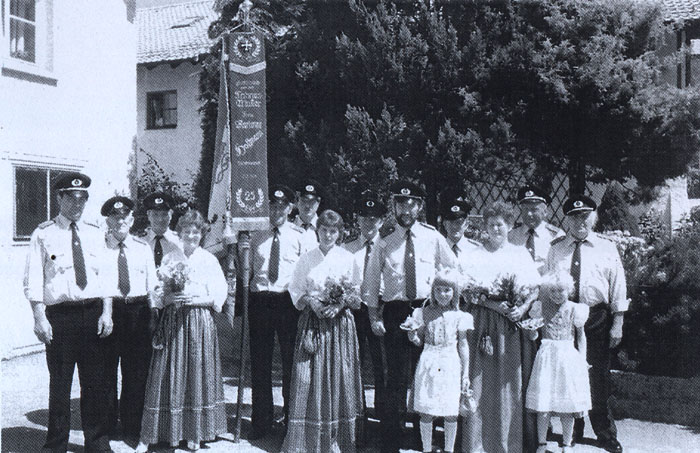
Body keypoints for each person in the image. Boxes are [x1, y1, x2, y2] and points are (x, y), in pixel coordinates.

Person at [23, 172, 114, 452]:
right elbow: (34, 278)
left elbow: (106, 277)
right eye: (72, 198)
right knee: (60, 386)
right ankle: (56, 445)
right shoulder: (44, 234)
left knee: (95, 384)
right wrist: (39, 317)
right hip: (61, 317)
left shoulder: (95, 233)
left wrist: (107, 312)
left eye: (83, 198)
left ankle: (97, 442)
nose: (78, 204)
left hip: (93, 313)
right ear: (59, 198)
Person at [363, 180, 456, 453]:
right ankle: (392, 440)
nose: (406, 208)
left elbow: (452, 269)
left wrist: (448, 306)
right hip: (396, 312)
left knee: (425, 374)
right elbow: (371, 282)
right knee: (397, 378)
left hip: (426, 310)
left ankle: (422, 439)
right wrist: (373, 317)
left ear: (420, 206)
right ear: (394, 206)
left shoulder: (433, 237)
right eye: (401, 203)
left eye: (412, 203)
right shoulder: (385, 240)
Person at [135, 210, 228, 452]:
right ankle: (162, 431)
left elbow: (219, 295)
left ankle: (194, 433)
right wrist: (169, 297)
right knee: (169, 372)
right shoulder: (170, 258)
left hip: (199, 321)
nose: (191, 236)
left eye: (196, 231)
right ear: (180, 232)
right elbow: (157, 293)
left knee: (196, 372)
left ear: (202, 233)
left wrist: (196, 300)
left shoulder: (209, 260)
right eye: (187, 231)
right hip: (174, 320)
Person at [546, 195, 627, 453]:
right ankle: (573, 429)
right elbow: (548, 285)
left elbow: (618, 287)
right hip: (565, 317)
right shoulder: (556, 248)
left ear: (593, 218)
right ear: (566, 220)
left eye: (584, 216)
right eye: (574, 217)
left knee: (598, 376)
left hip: (597, 318)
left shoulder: (606, 247)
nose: (580, 222)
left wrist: (618, 322)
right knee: (567, 374)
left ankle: (605, 433)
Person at [460, 201, 540, 453]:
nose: (496, 229)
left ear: (509, 226)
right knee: (480, 380)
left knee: (508, 383)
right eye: (491, 224)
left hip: (510, 326)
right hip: (481, 324)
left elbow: (534, 288)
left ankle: (508, 444)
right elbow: (467, 292)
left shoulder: (519, 253)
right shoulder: (473, 254)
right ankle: (477, 445)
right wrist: (494, 307)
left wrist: (523, 308)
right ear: (484, 226)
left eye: (501, 224)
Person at [282, 210, 364, 453]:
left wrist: (339, 304)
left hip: (339, 326)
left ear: (340, 233)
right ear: (317, 231)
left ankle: (338, 441)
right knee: (308, 376)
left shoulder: (348, 258)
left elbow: (357, 295)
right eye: (324, 230)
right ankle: (306, 441)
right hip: (313, 324)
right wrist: (313, 302)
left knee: (340, 374)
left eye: (333, 231)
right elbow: (295, 290)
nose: (328, 235)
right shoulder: (306, 259)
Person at [249, 185, 305, 439]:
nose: (276, 210)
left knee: (289, 363)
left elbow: (304, 274)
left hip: (287, 303)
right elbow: (244, 270)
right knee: (260, 362)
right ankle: (261, 422)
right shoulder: (254, 235)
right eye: (272, 205)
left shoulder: (299, 236)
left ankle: (291, 420)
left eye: (281, 206)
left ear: (290, 208)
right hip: (260, 300)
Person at [101, 197, 158, 441]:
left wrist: (154, 315)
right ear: (108, 221)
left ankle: (132, 426)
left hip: (137, 311)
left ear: (132, 220)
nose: (120, 220)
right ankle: (106, 425)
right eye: (115, 217)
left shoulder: (142, 247)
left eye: (125, 216)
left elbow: (152, 285)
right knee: (106, 371)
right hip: (109, 309)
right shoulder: (99, 247)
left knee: (136, 372)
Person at [404, 269, 473, 453]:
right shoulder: (422, 312)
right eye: (439, 290)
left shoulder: (460, 316)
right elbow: (419, 341)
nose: (443, 294)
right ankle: (427, 448)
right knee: (427, 410)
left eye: (447, 290)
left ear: (454, 292)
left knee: (451, 411)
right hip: (429, 361)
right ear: (433, 291)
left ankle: (448, 449)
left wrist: (465, 373)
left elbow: (463, 345)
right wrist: (412, 336)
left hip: (451, 362)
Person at [526, 271, 591, 453]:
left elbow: (581, 337)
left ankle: (566, 443)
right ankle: (542, 444)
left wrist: (582, 360)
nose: (556, 295)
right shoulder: (541, 307)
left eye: (560, 290)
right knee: (543, 403)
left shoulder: (575, 309)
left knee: (566, 403)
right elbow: (535, 333)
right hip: (546, 356)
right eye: (552, 291)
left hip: (567, 356)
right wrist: (532, 332)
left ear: (568, 290)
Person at [343, 192, 388, 422]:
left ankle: (383, 415)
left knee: (383, 366)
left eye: (374, 218)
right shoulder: (348, 248)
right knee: (354, 362)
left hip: (380, 310)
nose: (369, 223)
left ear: (381, 221)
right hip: (355, 310)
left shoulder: (389, 245)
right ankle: (357, 415)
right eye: (364, 217)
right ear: (357, 220)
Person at [508, 185, 563, 275]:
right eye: (525, 209)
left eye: (534, 209)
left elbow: (561, 268)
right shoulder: (511, 235)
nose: (529, 214)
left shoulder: (556, 236)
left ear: (545, 212)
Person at [438, 195, 481, 279]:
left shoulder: (476, 250)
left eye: (459, 222)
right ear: (444, 224)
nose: (454, 226)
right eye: (451, 222)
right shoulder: (438, 249)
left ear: (466, 224)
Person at [142, 192, 181, 267]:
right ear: (148, 215)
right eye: (155, 214)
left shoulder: (179, 242)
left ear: (171, 215)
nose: (160, 219)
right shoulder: (140, 242)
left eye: (164, 214)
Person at [293, 180, 323, 253]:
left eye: (311, 201)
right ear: (297, 201)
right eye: (304, 200)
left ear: (318, 203)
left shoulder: (325, 229)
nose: (307, 205)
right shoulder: (289, 228)